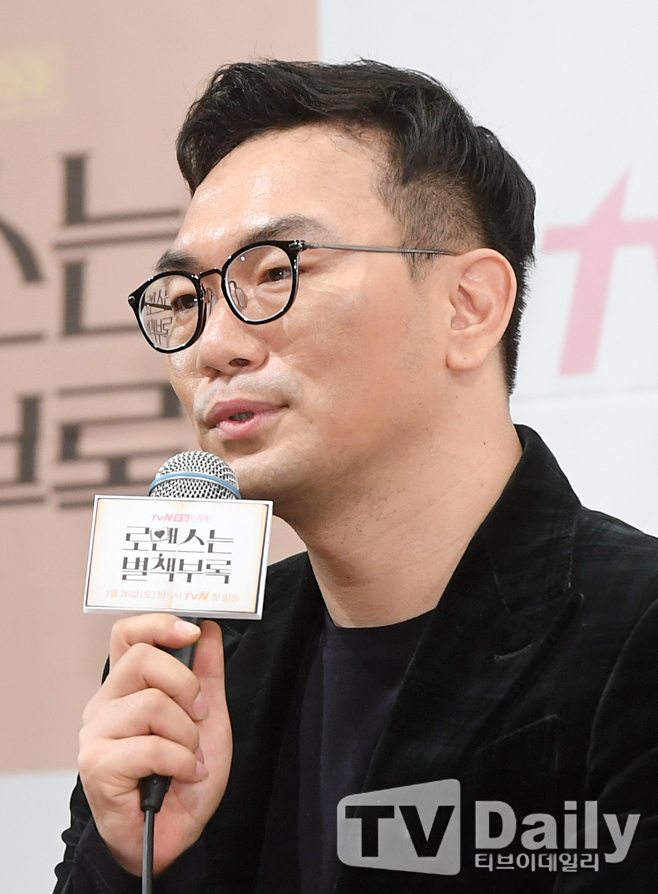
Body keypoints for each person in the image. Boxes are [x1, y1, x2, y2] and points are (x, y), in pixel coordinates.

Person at [54, 60, 658, 893]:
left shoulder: (635, 632)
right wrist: (135, 862)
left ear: (469, 306)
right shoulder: (197, 670)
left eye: (275, 272)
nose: (212, 347)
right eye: (188, 298)